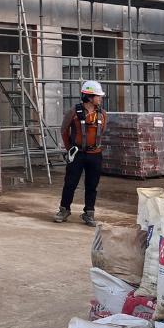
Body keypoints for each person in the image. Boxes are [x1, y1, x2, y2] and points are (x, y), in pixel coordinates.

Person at [55, 80, 108, 227]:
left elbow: (102, 131)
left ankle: (89, 213)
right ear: (89, 97)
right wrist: (70, 149)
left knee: (92, 185)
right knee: (70, 183)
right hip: (77, 153)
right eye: (98, 96)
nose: (100, 98)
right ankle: (64, 210)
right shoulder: (74, 112)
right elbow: (64, 130)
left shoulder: (102, 114)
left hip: (95, 154)